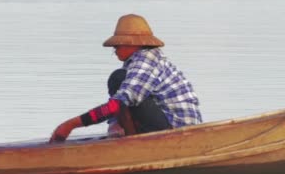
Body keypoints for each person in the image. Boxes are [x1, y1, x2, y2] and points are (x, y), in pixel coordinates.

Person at [49, 14, 202, 143]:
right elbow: (121, 104)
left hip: (178, 131)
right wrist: (114, 123)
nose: (115, 50)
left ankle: (132, 141)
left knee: (118, 78)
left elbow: (120, 103)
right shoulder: (136, 63)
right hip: (167, 123)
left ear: (131, 44)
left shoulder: (145, 60)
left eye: (117, 46)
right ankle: (130, 139)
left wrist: (71, 124)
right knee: (119, 79)